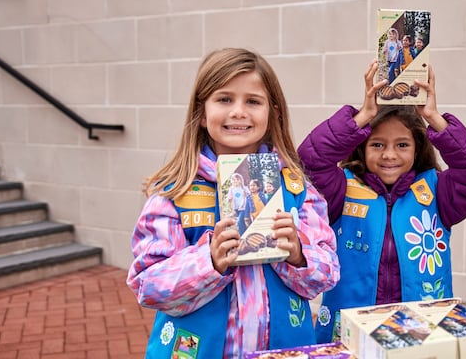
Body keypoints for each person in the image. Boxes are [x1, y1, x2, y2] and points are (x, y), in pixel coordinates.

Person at [127, 47, 340, 358]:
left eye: (253, 101)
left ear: (273, 113)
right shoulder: (174, 194)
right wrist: (208, 262)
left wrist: (297, 253)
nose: (239, 111)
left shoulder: (296, 190)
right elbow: (149, 286)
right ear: (201, 113)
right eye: (225, 99)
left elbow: (328, 273)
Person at [297, 61, 466, 343]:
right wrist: (362, 116)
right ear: (362, 147)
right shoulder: (341, 189)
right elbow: (309, 160)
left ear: (417, 148)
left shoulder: (438, 192)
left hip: (420, 332)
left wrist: (433, 117)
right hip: (350, 333)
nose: (389, 154)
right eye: (378, 145)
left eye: (402, 145)